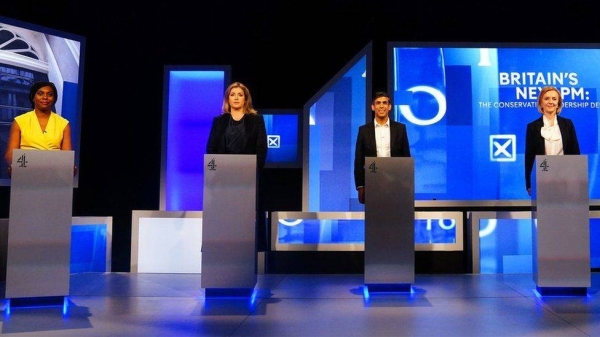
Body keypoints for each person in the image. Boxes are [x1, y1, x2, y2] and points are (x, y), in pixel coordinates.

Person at [354, 91, 411, 204]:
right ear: (373, 107)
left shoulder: (400, 129)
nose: (381, 106)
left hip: (397, 182)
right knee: (375, 218)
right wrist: (360, 186)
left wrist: (407, 184)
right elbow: (359, 160)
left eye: (384, 103)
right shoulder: (364, 130)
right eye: (378, 103)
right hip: (373, 181)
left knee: (396, 217)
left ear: (389, 107)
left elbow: (406, 158)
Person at [4, 81, 73, 174]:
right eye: (40, 94)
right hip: (26, 172)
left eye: (50, 94)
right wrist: (18, 165)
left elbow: (66, 157)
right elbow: (10, 154)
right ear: (33, 97)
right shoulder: (19, 121)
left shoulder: (64, 124)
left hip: (54, 174)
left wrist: (71, 168)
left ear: (54, 99)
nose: (45, 97)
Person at [525, 85, 580, 196]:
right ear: (541, 103)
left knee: (566, 211)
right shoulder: (532, 127)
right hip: (543, 176)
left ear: (558, 103)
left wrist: (578, 179)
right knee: (546, 211)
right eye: (547, 98)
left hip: (566, 178)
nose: (550, 102)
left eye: (554, 99)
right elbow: (529, 157)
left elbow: (575, 152)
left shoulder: (568, 124)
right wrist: (529, 184)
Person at [206, 81, 267, 168]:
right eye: (232, 94)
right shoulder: (218, 121)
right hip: (222, 171)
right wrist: (215, 170)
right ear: (228, 99)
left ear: (245, 99)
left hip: (248, 170)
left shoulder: (256, 120)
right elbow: (211, 148)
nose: (236, 98)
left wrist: (255, 170)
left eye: (240, 95)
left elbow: (261, 148)